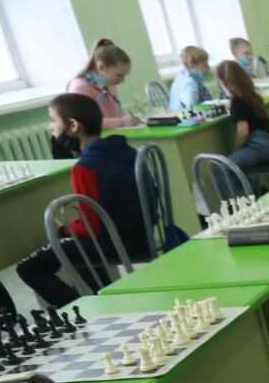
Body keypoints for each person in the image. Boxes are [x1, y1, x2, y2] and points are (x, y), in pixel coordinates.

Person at [18, 94, 180, 306]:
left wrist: (64, 229)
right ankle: (104, 299)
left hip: (118, 242)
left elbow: (90, 227)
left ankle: (84, 311)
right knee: (77, 250)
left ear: (73, 125)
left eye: (53, 120)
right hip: (143, 234)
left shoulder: (86, 166)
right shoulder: (125, 150)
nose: (50, 127)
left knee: (29, 268)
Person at [216, 61, 269, 185]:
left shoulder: (236, 102)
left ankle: (243, 197)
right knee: (236, 168)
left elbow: (243, 132)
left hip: (257, 147)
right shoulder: (253, 96)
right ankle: (253, 192)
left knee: (221, 168)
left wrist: (236, 148)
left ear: (224, 83)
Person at [66, 40, 140, 132]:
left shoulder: (108, 85)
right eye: (119, 75)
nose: (122, 80)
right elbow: (86, 123)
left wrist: (128, 119)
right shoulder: (79, 87)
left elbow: (114, 116)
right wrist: (122, 122)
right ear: (101, 67)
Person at [169, 46, 214, 113]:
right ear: (192, 65)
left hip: (177, 113)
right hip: (186, 115)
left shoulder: (181, 76)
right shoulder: (190, 82)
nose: (209, 67)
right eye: (205, 64)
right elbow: (193, 106)